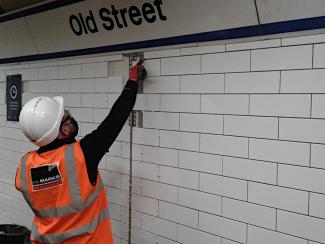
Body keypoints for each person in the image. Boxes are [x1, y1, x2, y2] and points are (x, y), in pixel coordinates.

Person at [15, 62, 146, 244]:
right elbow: (114, 120)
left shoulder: (24, 166)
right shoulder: (81, 155)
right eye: (67, 117)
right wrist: (133, 80)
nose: (71, 117)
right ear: (64, 131)